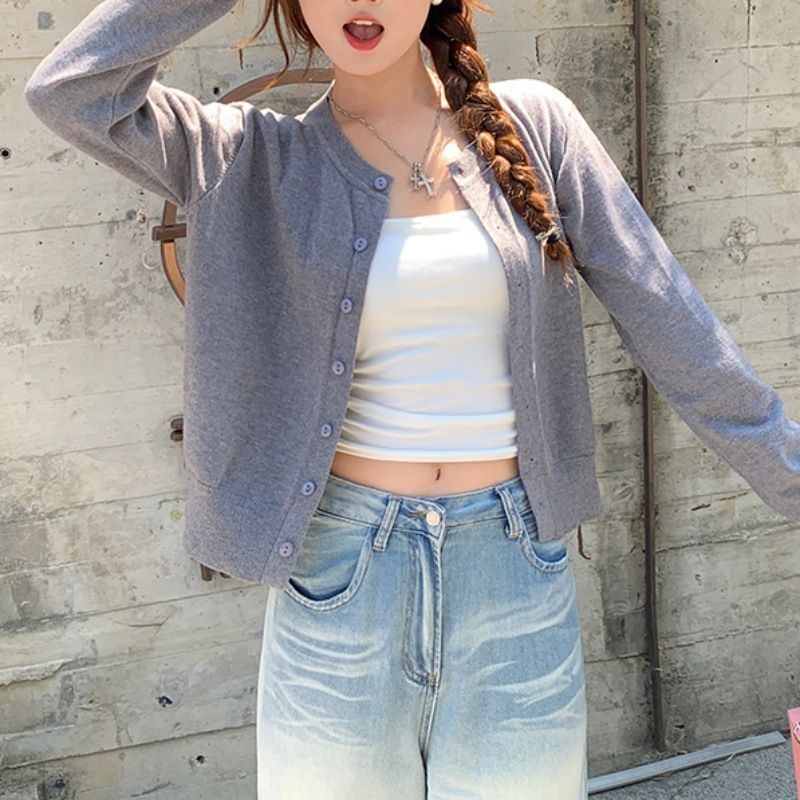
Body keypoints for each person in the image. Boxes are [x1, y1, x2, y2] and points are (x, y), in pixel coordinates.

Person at [23, 0, 800, 798]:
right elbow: (71, 91)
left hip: (513, 576)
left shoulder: (535, 127)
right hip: (340, 584)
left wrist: (789, 475)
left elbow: (672, 320)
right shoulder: (245, 154)